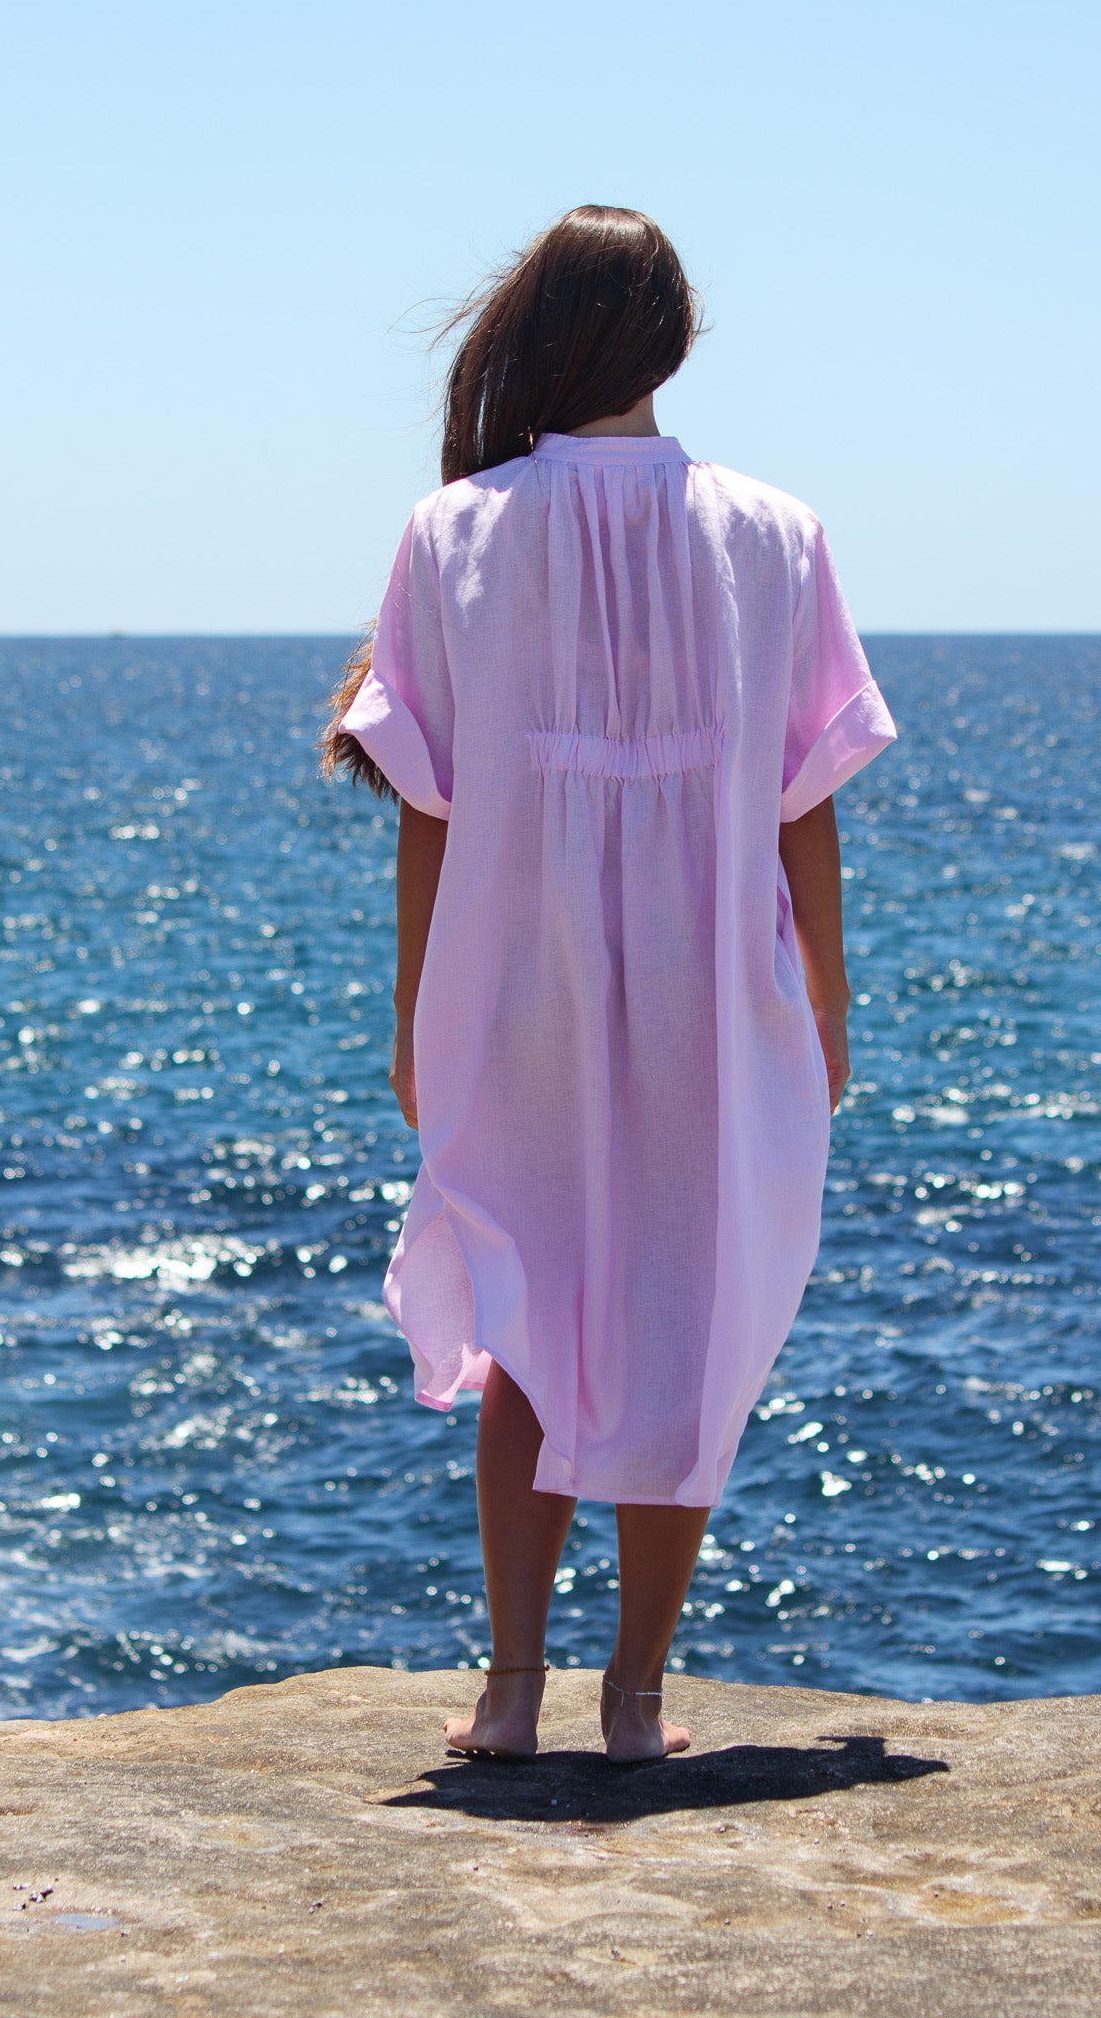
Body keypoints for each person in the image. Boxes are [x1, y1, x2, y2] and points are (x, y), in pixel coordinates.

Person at [321, 205, 896, 1763]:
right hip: (722, 991)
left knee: (530, 1316)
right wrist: (827, 1000)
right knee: (683, 1322)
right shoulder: (774, 531)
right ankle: (632, 1700)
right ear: (673, 337)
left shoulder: (454, 531)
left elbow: (425, 813)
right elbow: (809, 799)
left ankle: (513, 1691)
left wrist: (408, 1014)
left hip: (511, 991)